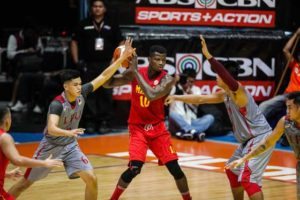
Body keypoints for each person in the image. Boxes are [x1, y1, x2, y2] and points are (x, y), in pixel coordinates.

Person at [7, 38, 135, 200]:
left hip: (70, 147)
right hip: (50, 147)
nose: (79, 87)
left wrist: (121, 60)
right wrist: (69, 132)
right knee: (24, 184)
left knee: (92, 179)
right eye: (75, 85)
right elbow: (52, 128)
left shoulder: (82, 93)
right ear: (66, 86)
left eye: (80, 84)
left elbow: (103, 76)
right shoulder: (57, 104)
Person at [165, 36, 274, 200]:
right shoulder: (225, 95)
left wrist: (208, 56)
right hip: (248, 141)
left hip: (260, 138)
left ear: (226, 77)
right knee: (232, 170)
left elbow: (223, 73)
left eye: (218, 74)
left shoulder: (239, 92)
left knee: (248, 179)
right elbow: (201, 99)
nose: (216, 76)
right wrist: (176, 98)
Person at [104, 45, 192, 200]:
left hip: (158, 129)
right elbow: (107, 83)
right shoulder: (135, 73)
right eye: (157, 59)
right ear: (150, 59)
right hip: (138, 128)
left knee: (175, 169)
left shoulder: (167, 79)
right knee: (134, 169)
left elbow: (152, 94)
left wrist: (135, 72)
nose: (161, 63)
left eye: (164, 60)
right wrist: (116, 61)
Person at [226, 91, 300, 200]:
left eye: (290, 108)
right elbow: (267, 143)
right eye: (286, 107)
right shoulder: (285, 122)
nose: (287, 111)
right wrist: (244, 159)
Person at [70, 0, 125, 133]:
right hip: (88, 64)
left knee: (106, 93)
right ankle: (90, 120)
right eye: (95, 6)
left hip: (107, 64)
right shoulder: (84, 24)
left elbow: (122, 41)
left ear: (104, 9)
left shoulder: (112, 24)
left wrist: (115, 60)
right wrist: (77, 61)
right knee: (89, 92)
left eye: (100, 6)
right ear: (91, 9)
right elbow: (74, 42)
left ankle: (104, 122)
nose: (97, 9)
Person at [0, 105, 63, 200]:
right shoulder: (4, 137)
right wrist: (44, 163)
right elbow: (18, 160)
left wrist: (6, 174)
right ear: (7, 120)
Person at [259, 28, 300, 129]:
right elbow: (285, 50)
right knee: (264, 106)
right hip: (287, 95)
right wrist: (296, 34)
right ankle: (255, 131)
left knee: (292, 115)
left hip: (298, 98)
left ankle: (288, 136)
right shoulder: (295, 64)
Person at [168, 68, 214, 142]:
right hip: (177, 121)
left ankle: (185, 132)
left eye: (192, 82)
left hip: (192, 120)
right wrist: (174, 81)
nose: (189, 83)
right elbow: (166, 97)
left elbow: (197, 104)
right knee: (172, 114)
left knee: (210, 118)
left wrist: (190, 93)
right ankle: (195, 132)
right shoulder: (174, 87)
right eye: (187, 81)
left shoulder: (196, 90)